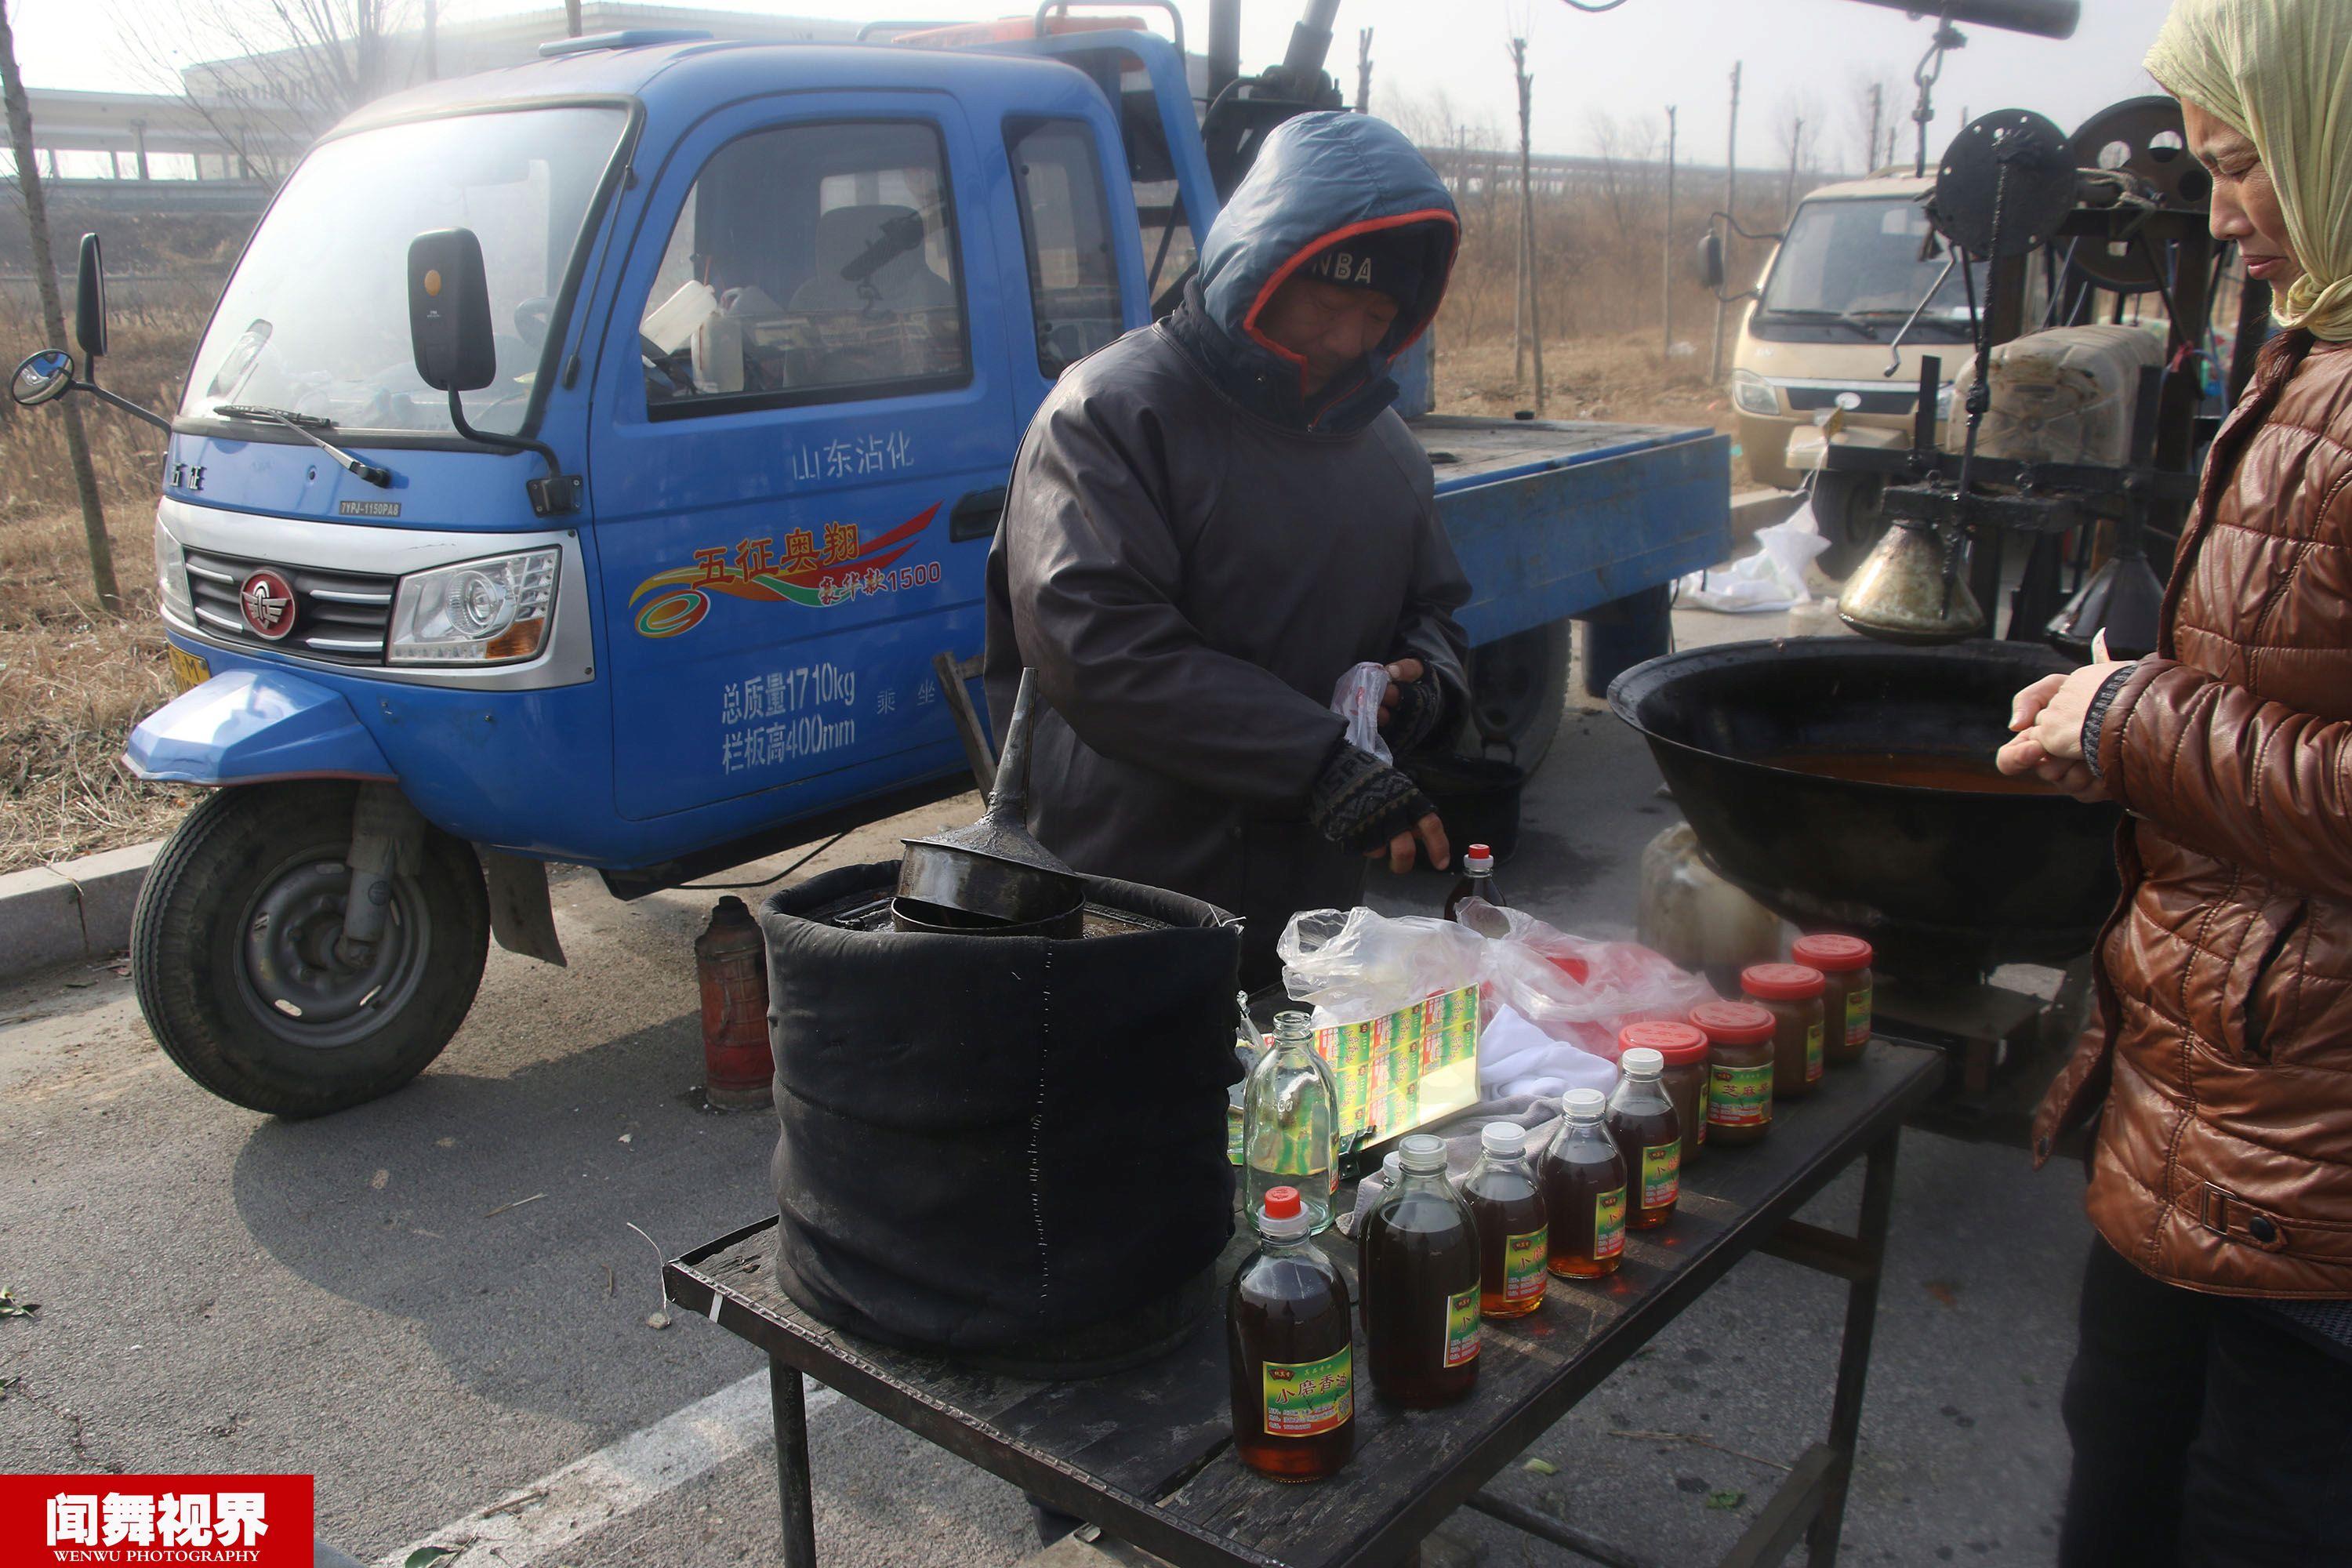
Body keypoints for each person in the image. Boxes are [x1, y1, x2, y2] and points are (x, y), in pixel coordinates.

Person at [1998, 2, 2352, 1561]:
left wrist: (2136, 725)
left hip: (2315, 1165)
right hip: (2198, 1103)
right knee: (2122, 1480)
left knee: (2254, 1517)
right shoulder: (2319, 347)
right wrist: (2114, 715)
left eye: (2243, 165)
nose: (2217, 214)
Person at [985, 111, 1471, 989]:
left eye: (1376, 312)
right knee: (1127, 1109)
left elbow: (1431, 611)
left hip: (1307, 904)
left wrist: (1426, 687)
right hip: (1127, 889)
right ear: (1260, 265)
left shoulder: (1387, 451)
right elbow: (1097, 644)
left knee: (1283, 1106)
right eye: (1329, 299)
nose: (1349, 338)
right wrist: (1318, 757)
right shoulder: (1112, 412)